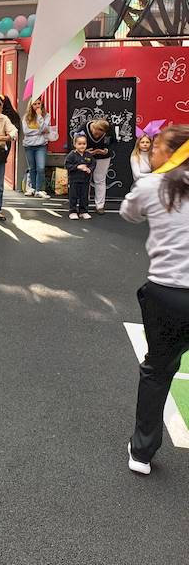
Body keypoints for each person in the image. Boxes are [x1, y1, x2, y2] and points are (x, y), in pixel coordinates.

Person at [120, 125, 189, 475]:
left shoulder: (151, 185)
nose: (153, 150)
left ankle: (142, 452)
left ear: (174, 153)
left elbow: (128, 213)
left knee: (158, 371)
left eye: (159, 145)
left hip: (167, 294)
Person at [82, 117, 117, 214]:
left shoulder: (109, 129)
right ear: (93, 127)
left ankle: (100, 206)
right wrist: (84, 151)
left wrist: (107, 150)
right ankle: (83, 205)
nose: (96, 136)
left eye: (99, 134)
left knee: (100, 180)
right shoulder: (84, 127)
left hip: (103, 157)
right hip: (86, 156)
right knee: (84, 179)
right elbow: (75, 141)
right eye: (95, 132)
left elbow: (114, 142)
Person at [22, 96, 51, 198]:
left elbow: (45, 128)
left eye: (39, 103)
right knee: (32, 168)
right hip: (28, 145)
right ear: (31, 105)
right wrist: (39, 131)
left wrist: (39, 117)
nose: (37, 106)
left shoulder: (46, 116)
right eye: (34, 104)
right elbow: (26, 131)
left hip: (41, 145)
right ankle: (33, 188)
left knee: (41, 168)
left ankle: (39, 189)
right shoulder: (26, 117)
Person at [65, 133, 95, 220]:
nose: (82, 146)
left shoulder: (88, 155)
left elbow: (93, 163)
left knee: (84, 196)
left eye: (84, 144)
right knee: (73, 196)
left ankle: (83, 211)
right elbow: (67, 165)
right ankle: (73, 211)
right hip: (74, 180)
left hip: (85, 180)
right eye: (79, 144)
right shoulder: (71, 155)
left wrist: (90, 169)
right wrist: (77, 167)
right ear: (75, 144)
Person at [0, 94, 21, 162]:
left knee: (1, 160)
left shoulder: (12, 114)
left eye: (0, 103)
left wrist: (10, 133)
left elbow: (16, 127)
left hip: (6, 140)